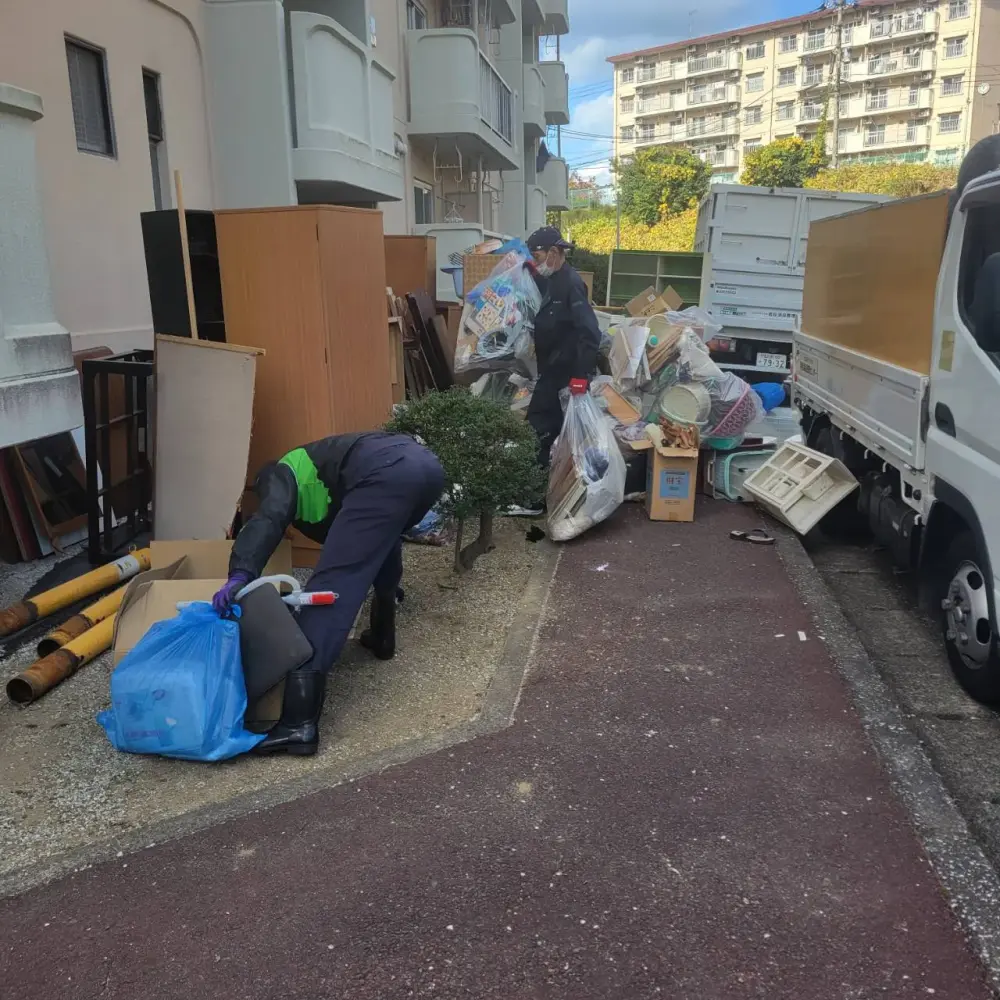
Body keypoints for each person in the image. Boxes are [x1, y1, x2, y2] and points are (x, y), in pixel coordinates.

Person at [212, 432, 444, 757]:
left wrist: (241, 572)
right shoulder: (324, 469)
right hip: (426, 469)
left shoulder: (283, 470)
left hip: (387, 469)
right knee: (381, 539)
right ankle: (382, 636)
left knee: (333, 584)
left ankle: (298, 724)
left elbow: (269, 518)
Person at [524, 226, 602, 477]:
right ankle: (548, 484)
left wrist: (580, 376)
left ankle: (535, 489)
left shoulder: (571, 284)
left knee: (538, 428)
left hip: (564, 373)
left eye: (537, 257)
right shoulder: (554, 279)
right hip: (552, 370)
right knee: (549, 432)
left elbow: (590, 332)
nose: (536, 263)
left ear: (554, 253)